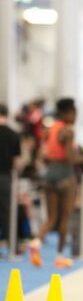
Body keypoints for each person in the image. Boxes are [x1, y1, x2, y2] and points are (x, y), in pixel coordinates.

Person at [29, 98, 83, 268]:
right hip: (65, 175)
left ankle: (36, 242)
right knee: (65, 217)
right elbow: (70, 157)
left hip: (50, 175)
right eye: (74, 114)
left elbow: (43, 155)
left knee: (51, 218)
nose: (75, 118)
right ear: (67, 113)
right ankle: (60, 256)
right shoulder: (67, 132)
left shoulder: (49, 129)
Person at [0, 103, 22, 255]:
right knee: (8, 213)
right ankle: (13, 247)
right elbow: (17, 162)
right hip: (5, 178)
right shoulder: (14, 134)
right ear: (7, 115)